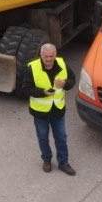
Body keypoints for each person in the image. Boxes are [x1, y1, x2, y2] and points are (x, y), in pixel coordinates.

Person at [27, 41, 75, 176]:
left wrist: (65, 84)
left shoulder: (62, 64)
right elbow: (25, 88)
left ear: (55, 54)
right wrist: (43, 92)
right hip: (40, 112)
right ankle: (47, 160)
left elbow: (72, 80)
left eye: (51, 56)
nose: (48, 59)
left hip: (58, 110)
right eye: (46, 56)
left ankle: (63, 163)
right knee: (43, 137)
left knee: (61, 137)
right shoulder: (32, 67)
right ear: (41, 55)